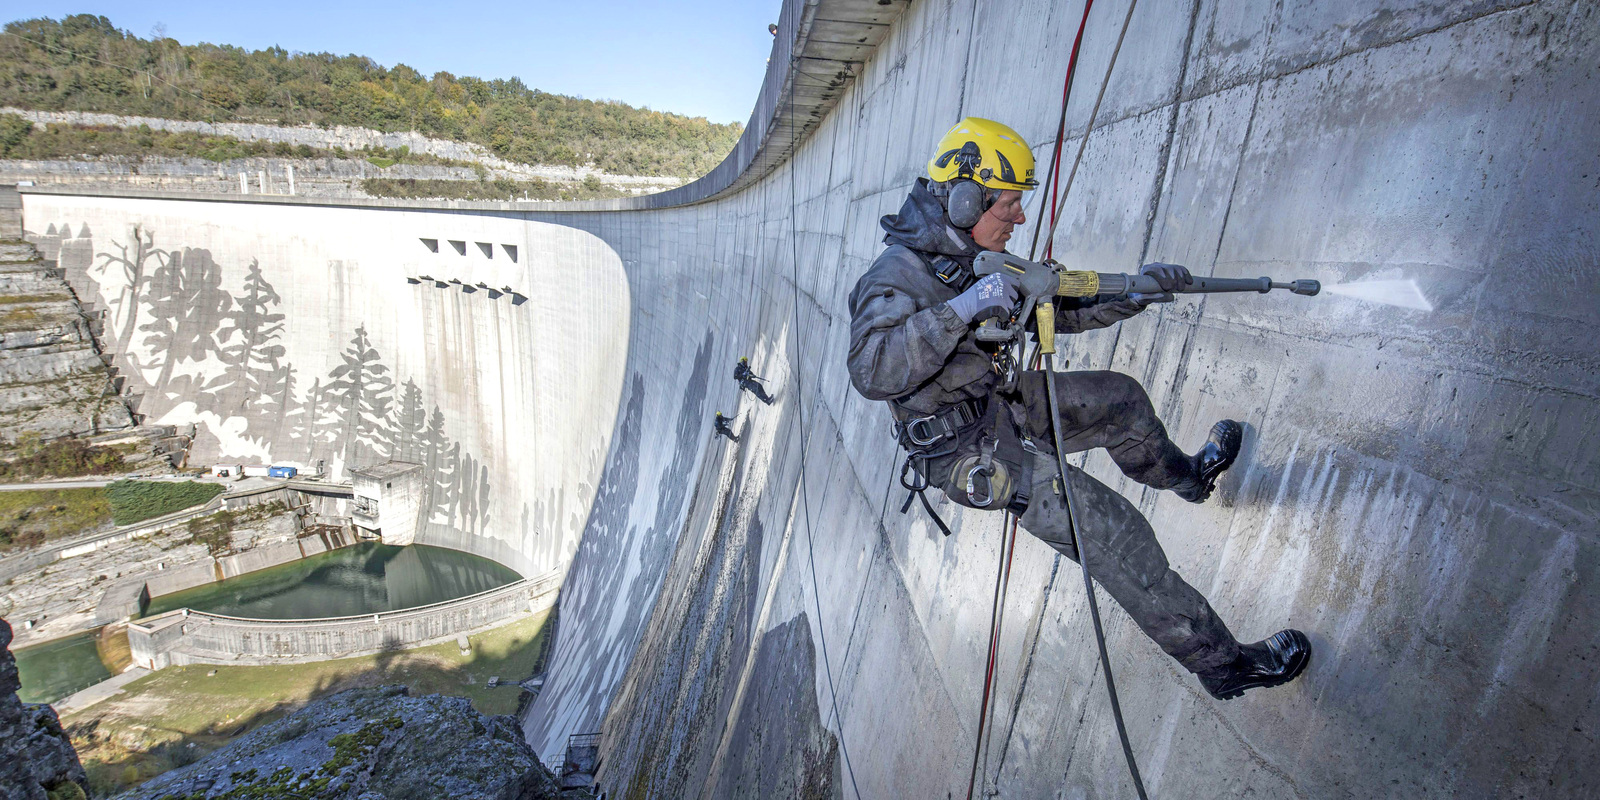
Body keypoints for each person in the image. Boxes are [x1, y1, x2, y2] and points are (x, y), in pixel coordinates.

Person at [846, 117, 1310, 700]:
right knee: (1117, 537)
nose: (1019, 217)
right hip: (969, 450)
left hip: (997, 402)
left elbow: (1057, 306)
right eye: (1009, 204)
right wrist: (958, 311)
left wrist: (1135, 292)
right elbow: (871, 368)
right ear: (965, 200)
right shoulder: (896, 277)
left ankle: (1188, 478)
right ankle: (1224, 664)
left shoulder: (979, 254)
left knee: (1122, 403)